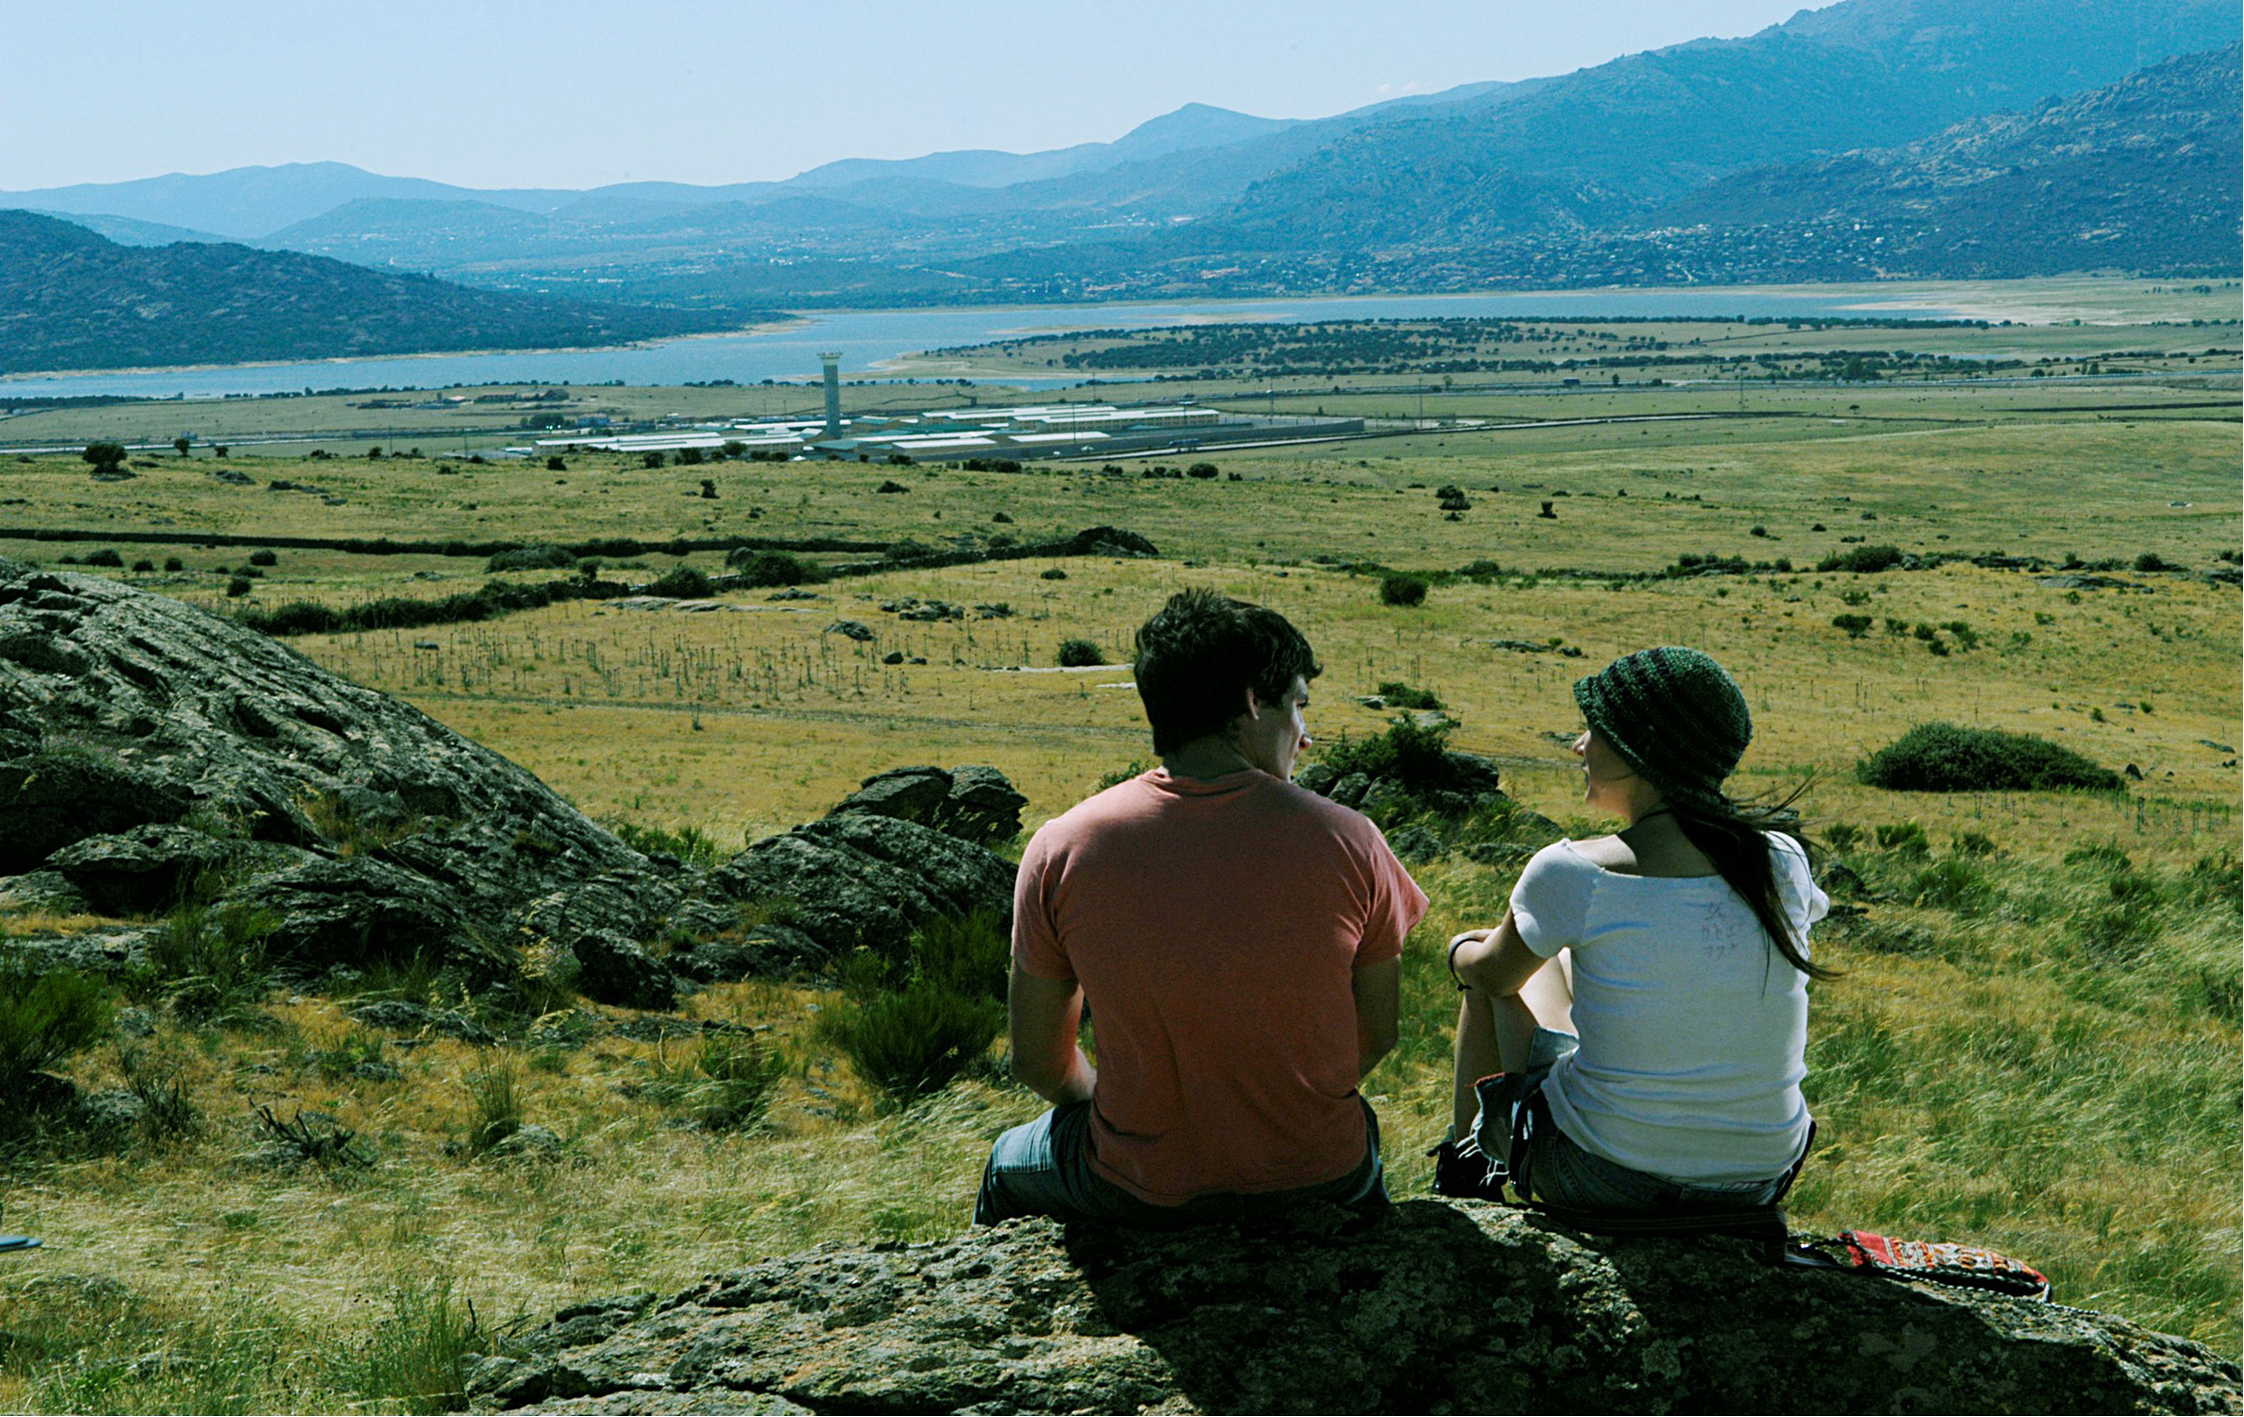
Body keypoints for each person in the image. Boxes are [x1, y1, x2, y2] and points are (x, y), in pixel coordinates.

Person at [975, 589, 1427, 1227]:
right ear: (1250, 704)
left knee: (1005, 1160)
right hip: (1321, 1177)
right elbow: (1377, 1034)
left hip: (1137, 1186)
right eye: (1297, 705)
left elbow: (1037, 1060)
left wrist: (1114, 1110)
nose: (1303, 737)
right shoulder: (1349, 840)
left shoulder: (1061, 848)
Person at [1436, 645, 1832, 1212]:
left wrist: (1458, 951)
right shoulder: (1779, 861)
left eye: (1592, 729)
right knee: (1563, 957)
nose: (1579, 744)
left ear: (1638, 750)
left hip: (1606, 1178)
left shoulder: (1575, 871)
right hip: (1759, 1179)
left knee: (1491, 977)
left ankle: (1465, 1177)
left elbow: (1495, 973)